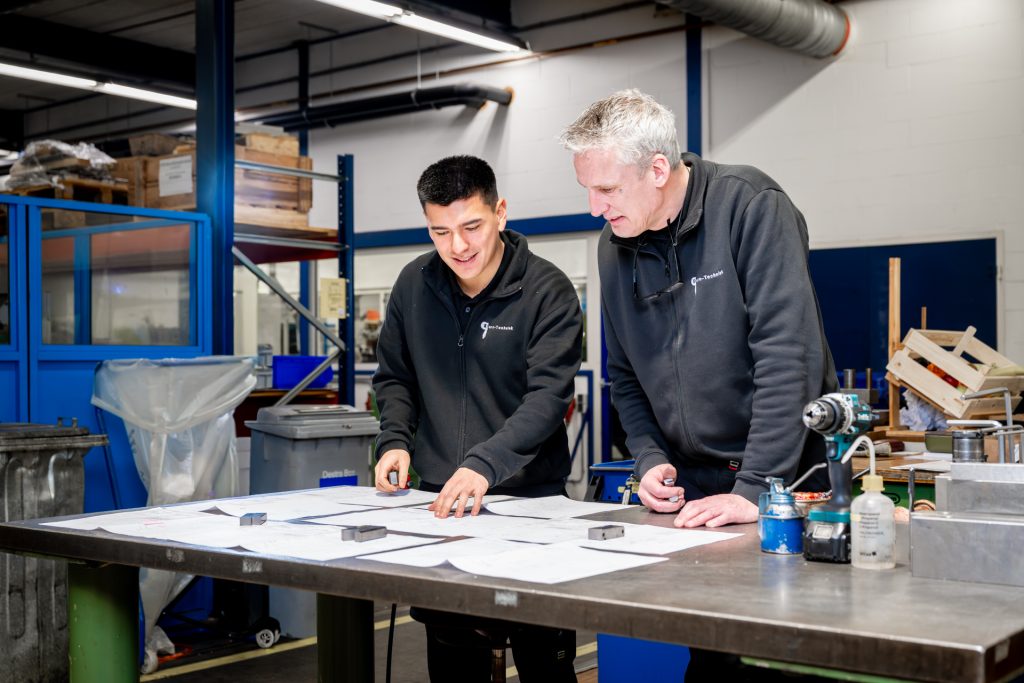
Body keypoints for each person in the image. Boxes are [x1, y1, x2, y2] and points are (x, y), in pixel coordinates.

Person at [560, 90, 836, 679]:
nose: (593, 207)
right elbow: (625, 377)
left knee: (782, 661)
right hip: (698, 500)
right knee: (714, 661)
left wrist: (759, 485)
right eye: (587, 189)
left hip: (785, 485)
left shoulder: (751, 206)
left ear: (658, 169)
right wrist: (650, 458)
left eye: (606, 189)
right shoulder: (615, 248)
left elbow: (789, 357)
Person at [372, 155, 582, 682]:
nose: (458, 246)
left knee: (544, 661)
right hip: (442, 505)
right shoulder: (413, 285)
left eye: (472, 226)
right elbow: (395, 378)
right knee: (453, 659)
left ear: (501, 213)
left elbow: (548, 398)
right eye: (440, 231)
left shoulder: (547, 291)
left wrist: (485, 464)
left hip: (531, 502)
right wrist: (395, 440)